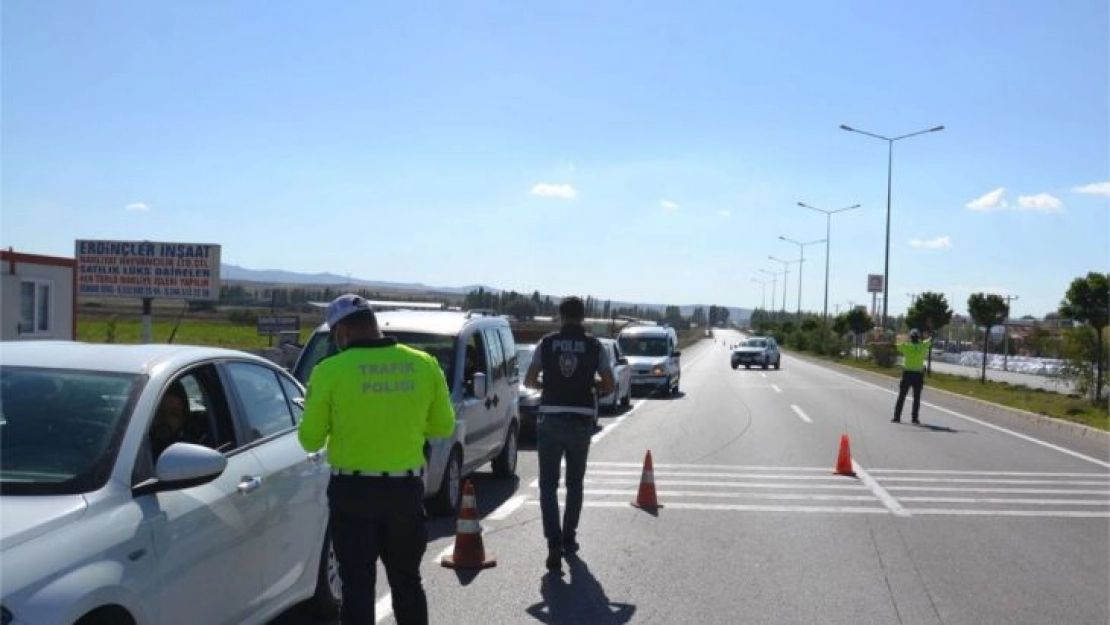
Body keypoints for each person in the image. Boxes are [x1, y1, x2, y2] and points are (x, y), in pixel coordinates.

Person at [299, 293, 455, 625]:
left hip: (352, 493)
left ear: (341, 332)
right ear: (374, 324)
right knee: (407, 584)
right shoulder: (423, 364)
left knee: (356, 588)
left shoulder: (329, 371)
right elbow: (443, 425)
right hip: (405, 493)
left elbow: (309, 439)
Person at [525, 296, 615, 573]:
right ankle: (569, 537)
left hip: (550, 418)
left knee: (548, 485)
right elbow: (610, 385)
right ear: (584, 317)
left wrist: (548, 383)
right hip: (581, 420)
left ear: (560, 316)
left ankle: (553, 542)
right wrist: (592, 385)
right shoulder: (595, 345)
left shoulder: (547, 343)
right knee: (575, 484)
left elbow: (529, 380)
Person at [893, 328, 932, 424]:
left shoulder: (906, 346)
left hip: (907, 374)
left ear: (911, 338)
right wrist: (929, 334)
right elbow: (930, 340)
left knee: (902, 396)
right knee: (916, 398)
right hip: (918, 376)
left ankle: (897, 417)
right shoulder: (923, 346)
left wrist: (904, 338)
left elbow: (898, 343)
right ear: (918, 338)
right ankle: (914, 418)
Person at [150, 381, 189, 460]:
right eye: (160, 411)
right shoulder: (132, 446)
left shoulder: (189, 452)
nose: (166, 418)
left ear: (182, 419)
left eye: (174, 414)